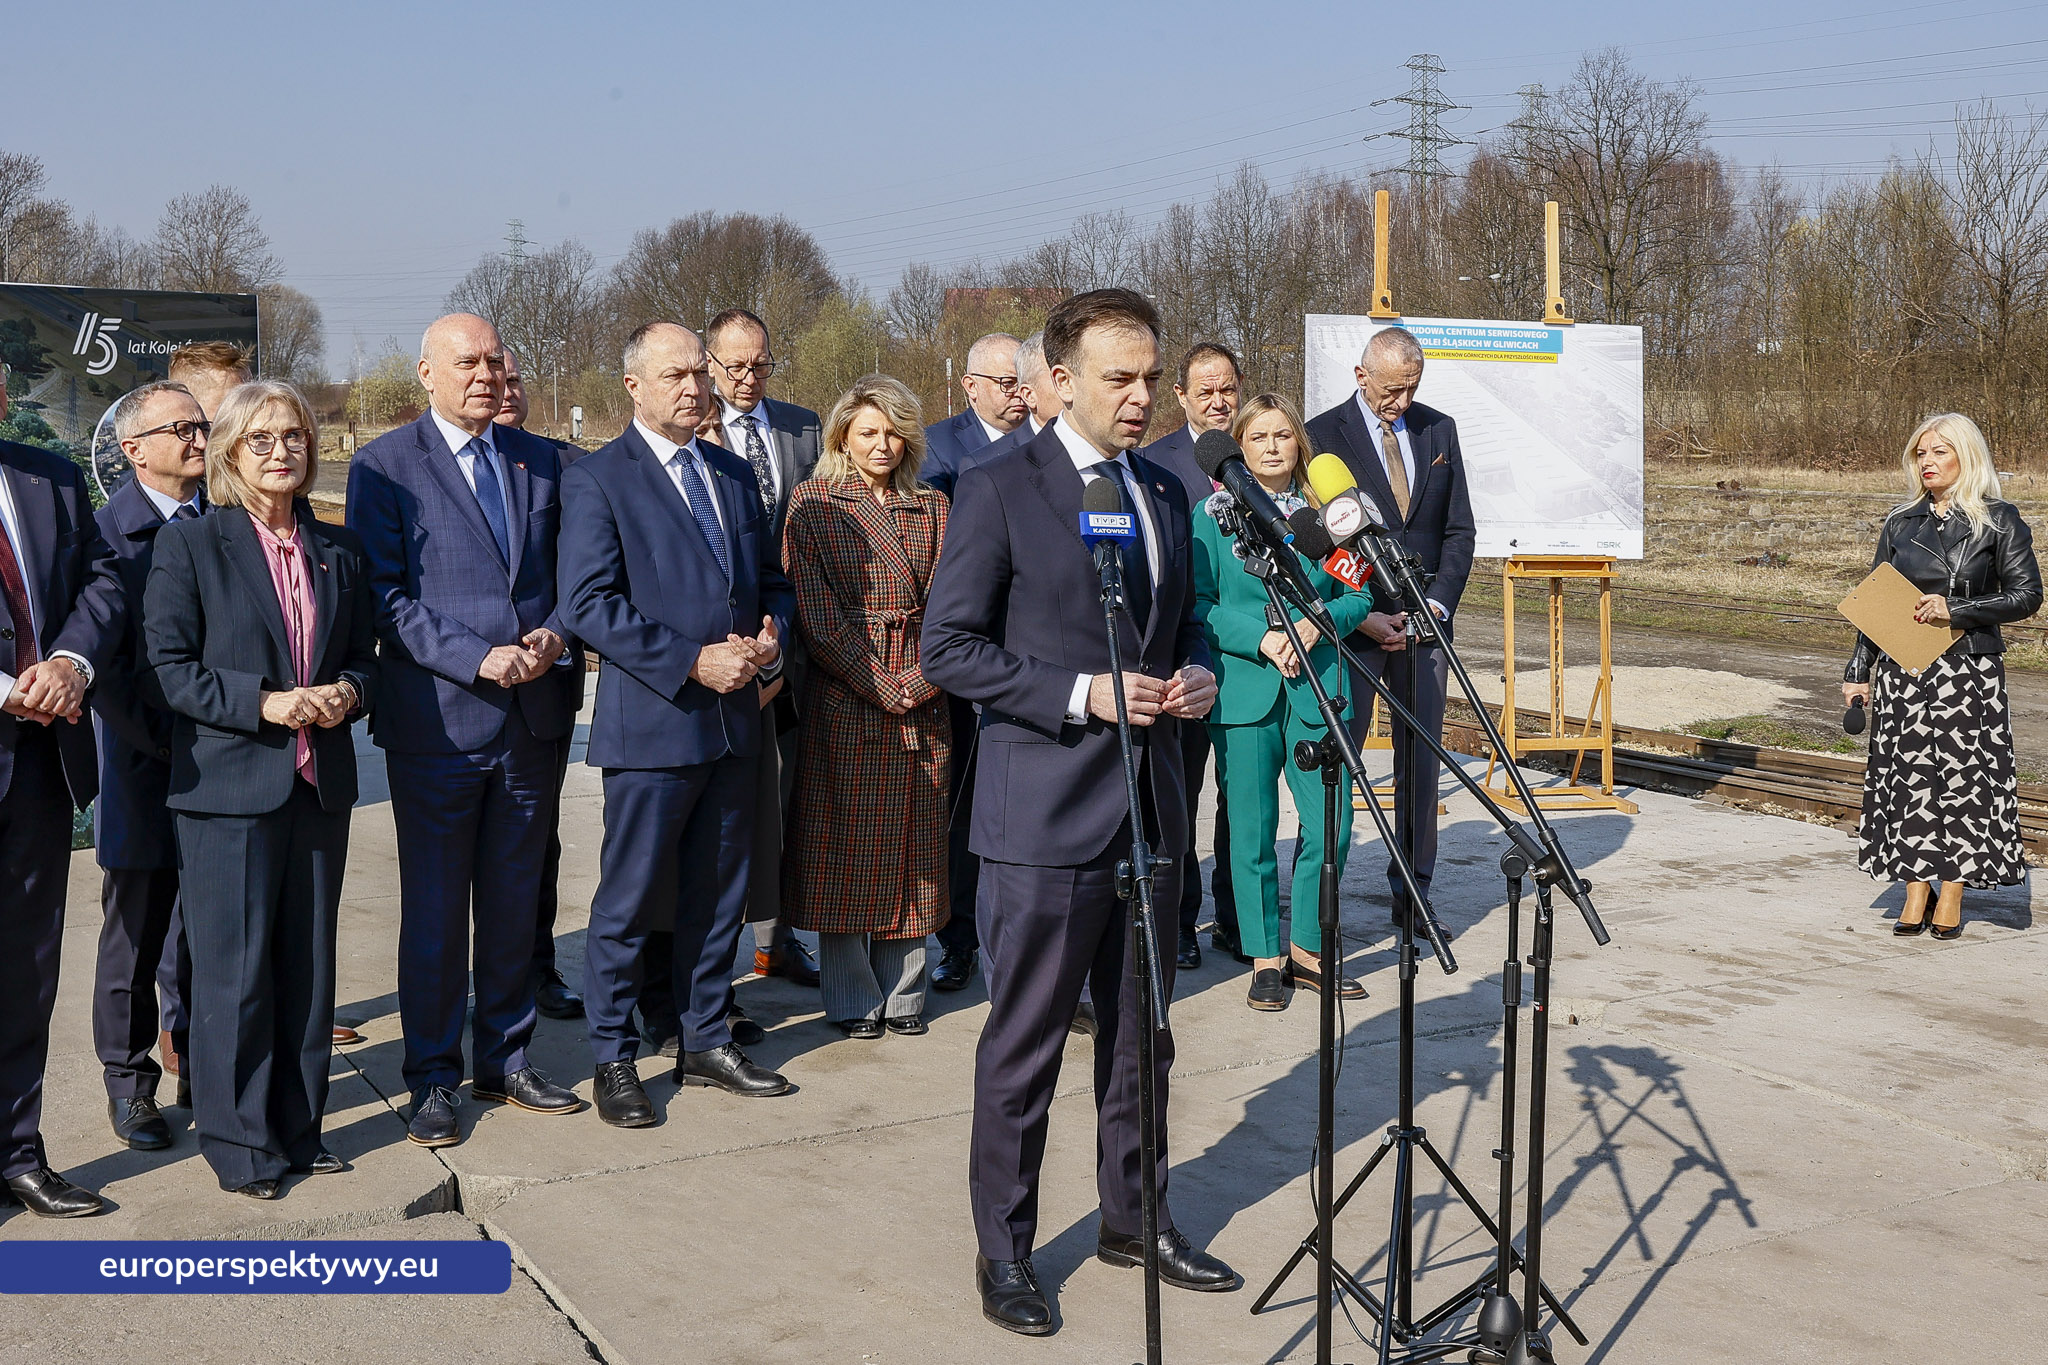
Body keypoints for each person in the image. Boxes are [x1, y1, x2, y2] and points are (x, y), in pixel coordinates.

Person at [922, 288, 1236, 1336]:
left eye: (1150, 377)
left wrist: (1195, 675)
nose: (1144, 396)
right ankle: (1003, 1252)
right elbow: (949, 648)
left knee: (1143, 1039)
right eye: (1121, 378)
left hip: (1147, 811)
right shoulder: (997, 487)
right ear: (1057, 381)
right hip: (1041, 818)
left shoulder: (1163, 489)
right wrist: (1078, 694)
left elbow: (1185, 620)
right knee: (1024, 1047)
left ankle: (1131, 1217)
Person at [347, 314, 585, 1149]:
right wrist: (476, 657)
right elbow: (384, 597)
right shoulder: (383, 467)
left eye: (494, 360)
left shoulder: (543, 459)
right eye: (467, 361)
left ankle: (508, 1059)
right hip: (441, 723)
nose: (484, 374)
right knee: (440, 911)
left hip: (533, 719)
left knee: (518, 904)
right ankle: (434, 1076)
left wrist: (555, 635)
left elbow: (577, 573)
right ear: (426, 373)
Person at [142, 379, 379, 1198]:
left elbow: (364, 656)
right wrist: (266, 702)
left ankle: (298, 1130)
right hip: (229, 792)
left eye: (297, 437)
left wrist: (348, 690)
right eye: (264, 439)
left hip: (318, 787)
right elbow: (170, 670)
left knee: (308, 974)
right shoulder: (194, 545)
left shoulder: (337, 549)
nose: (284, 451)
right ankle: (239, 1147)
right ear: (232, 452)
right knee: (236, 977)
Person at [558, 321, 796, 1128]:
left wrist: (771, 638)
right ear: (633, 385)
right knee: (629, 901)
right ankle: (612, 1054)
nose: (695, 387)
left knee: (717, 895)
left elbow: (771, 582)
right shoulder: (599, 479)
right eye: (676, 375)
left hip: (734, 722)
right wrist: (691, 660)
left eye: (700, 373)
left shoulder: (730, 473)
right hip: (655, 725)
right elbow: (588, 604)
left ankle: (702, 1034)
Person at [1193, 394, 1386, 1010]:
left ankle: (1308, 949)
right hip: (1246, 691)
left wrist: (1319, 619)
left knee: (1332, 825)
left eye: (1283, 436)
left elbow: (1360, 598)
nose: (1273, 447)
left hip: (1318, 689)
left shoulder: (1329, 517)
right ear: (1239, 450)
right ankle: (1265, 957)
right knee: (1251, 831)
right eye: (1259, 438)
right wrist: (1262, 637)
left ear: (1300, 445)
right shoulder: (1212, 516)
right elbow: (1198, 606)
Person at [780, 377, 950, 1038]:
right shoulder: (814, 502)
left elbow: (951, 607)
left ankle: (906, 989)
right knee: (842, 846)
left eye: (893, 431)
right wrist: (883, 683)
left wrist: (921, 678)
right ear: (842, 436)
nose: (882, 444)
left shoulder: (933, 504)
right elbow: (818, 620)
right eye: (868, 431)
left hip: (923, 691)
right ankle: (851, 994)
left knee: (917, 846)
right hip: (847, 695)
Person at [1844, 413, 2041, 938]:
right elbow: (1876, 601)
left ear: (1966, 456)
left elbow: (2027, 597)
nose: (1927, 462)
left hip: (1967, 669)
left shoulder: (1999, 520)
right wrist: (1859, 669)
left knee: (1961, 779)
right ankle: (1915, 885)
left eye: (1939, 452)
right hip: (1903, 669)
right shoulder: (1900, 522)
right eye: (1921, 454)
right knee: (1908, 778)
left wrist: (1957, 608)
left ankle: (1952, 887)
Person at [0, 385, 124, 1218]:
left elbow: (102, 581)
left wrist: (73, 661)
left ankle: (17, 1150)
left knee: (24, 968)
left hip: (39, 766)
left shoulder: (50, 476)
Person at [1306, 326, 1475, 928]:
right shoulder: (1321, 437)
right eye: (1390, 390)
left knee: (1420, 764)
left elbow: (1458, 532)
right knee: (1339, 759)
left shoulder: (1438, 430)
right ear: (1361, 377)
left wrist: (1437, 605)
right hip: (1355, 629)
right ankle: (1317, 904)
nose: (1400, 403)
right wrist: (1368, 615)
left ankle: (1413, 892)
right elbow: (1319, 541)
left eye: (1410, 389)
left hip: (1427, 627)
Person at [90, 382, 208, 1154]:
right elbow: (102, 662)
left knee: (208, 928)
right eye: (183, 428)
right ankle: (131, 1086)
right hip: (143, 759)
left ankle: (204, 1064)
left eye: (203, 425)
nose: (201, 438)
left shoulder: (223, 523)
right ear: (135, 450)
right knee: (135, 933)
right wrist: (165, 739)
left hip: (224, 761)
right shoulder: (107, 535)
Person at [931, 331, 1061, 998]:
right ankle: (959, 939)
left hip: (1046, 669)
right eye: (1003, 381)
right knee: (968, 813)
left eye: (1020, 380)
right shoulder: (944, 450)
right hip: (971, 654)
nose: (1014, 392)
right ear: (975, 384)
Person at [703, 307, 820, 996]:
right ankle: (709, 955)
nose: (748, 379)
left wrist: (783, 634)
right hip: (716, 655)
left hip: (793, 644)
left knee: (789, 800)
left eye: (760, 365)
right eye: (735, 367)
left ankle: (777, 942)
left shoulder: (804, 427)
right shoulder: (692, 429)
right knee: (725, 811)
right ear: (710, 364)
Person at [1140, 343, 1245, 970]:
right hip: (1183, 662)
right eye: (1204, 389)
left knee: (1243, 802)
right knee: (1178, 800)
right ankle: (1178, 921)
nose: (1218, 400)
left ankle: (1237, 921)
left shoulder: (1258, 454)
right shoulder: (1153, 463)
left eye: (1227, 387)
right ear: (1180, 396)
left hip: (1253, 667)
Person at [496, 348, 585, 1023]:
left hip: (546, 688)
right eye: (493, 379)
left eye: (516, 380)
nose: (504, 390)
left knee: (540, 842)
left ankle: (538, 965)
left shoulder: (564, 464)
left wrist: (558, 631)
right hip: (468, 693)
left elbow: (584, 572)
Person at [921, 333, 1027, 499]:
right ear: (971, 386)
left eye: (1026, 382)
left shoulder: (1050, 434)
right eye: (1008, 383)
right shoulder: (936, 445)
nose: (1021, 392)